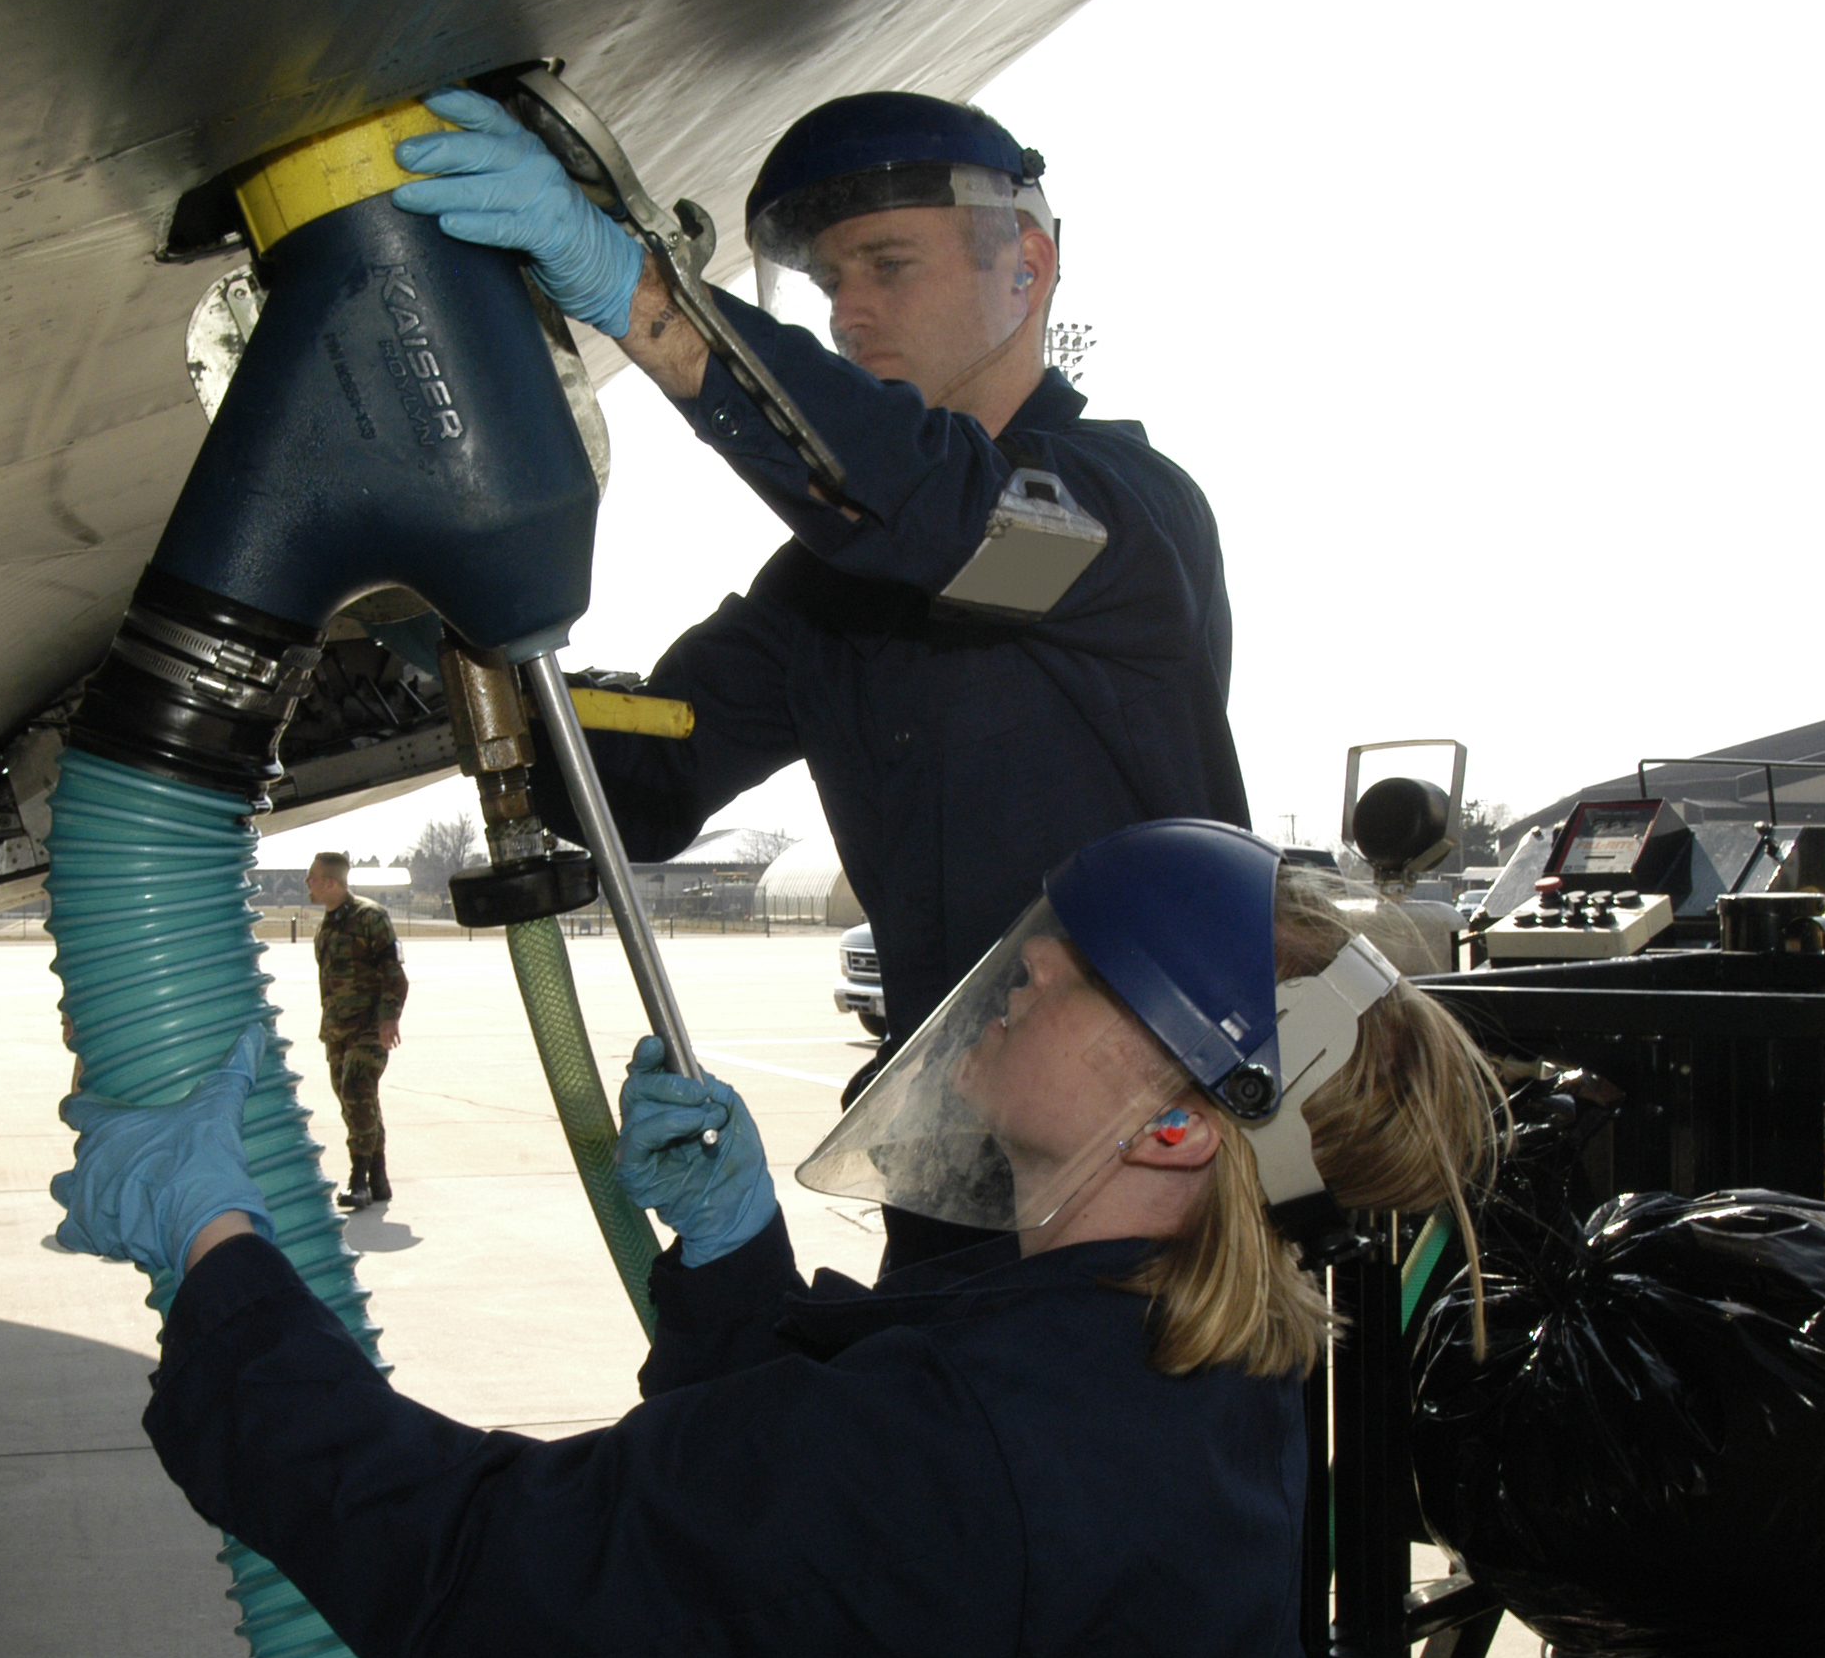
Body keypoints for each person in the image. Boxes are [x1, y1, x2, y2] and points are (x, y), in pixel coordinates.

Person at [49, 820, 1506, 1658]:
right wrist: (739, 1255)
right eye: (1041, 944)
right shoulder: (1211, 1354)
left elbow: (477, 1561)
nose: (1017, 978)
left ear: (1184, 1130)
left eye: (1077, 979)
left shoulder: (964, 1431)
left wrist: (219, 1248)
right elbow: (834, 1530)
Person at [389, 88, 1252, 1264]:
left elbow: (947, 518)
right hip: (951, 1178)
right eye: (828, 280)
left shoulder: (1108, 523)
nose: (848, 311)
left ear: (1029, 265)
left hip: (1145, 1196)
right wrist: (442, 627)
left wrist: (649, 307)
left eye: (886, 265)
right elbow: (652, 767)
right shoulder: (834, 585)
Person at [305, 851, 404, 1210]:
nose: (307, 884)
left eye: (312, 877)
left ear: (330, 882)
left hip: (368, 1027)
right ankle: (378, 1177)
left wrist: (389, 1018)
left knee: (356, 1093)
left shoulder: (370, 917)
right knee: (355, 1104)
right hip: (337, 1030)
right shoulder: (329, 923)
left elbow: (394, 971)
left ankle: (358, 1181)